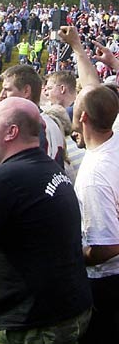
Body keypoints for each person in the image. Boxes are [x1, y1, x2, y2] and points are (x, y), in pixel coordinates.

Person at [0, 97, 92, 343]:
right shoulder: (52, 170)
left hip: (30, 325)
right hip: (67, 312)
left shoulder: (2, 182)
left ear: (11, 132)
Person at [72, 84, 119, 342]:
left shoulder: (95, 175)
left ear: (83, 118)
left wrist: (72, 260)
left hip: (106, 282)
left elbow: (107, 246)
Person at [0, 64, 65, 166]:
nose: (1, 95)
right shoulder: (46, 122)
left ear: (26, 91)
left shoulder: (36, 128)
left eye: (7, 90)